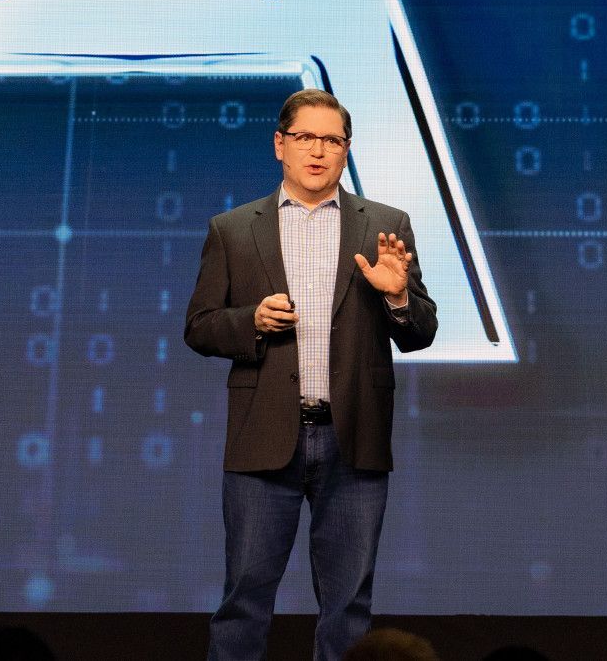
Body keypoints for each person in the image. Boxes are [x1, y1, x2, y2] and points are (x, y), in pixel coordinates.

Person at [186, 88, 439, 661]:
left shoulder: (385, 225)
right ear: (281, 145)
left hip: (354, 438)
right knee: (244, 599)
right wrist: (248, 320)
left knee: (348, 606)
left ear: (346, 151)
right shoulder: (232, 229)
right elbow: (199, 327)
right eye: (305, 138)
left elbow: (419, 331)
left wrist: (398, 296)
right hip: (264, 435)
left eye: (332, 140)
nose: (318, 151)